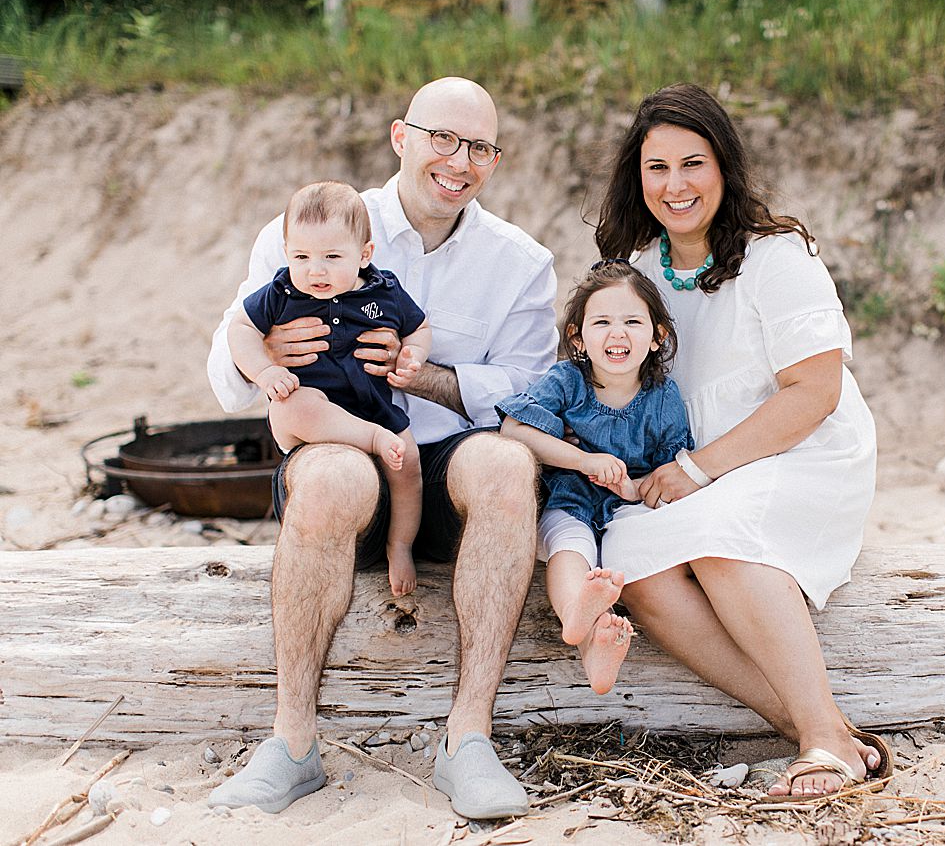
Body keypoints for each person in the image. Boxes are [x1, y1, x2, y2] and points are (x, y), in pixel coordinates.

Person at [206, 77, 557, 819]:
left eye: (481, 148)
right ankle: (293, 742)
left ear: (495, 160)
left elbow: (533, 391)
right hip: (341, 458)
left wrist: (425, 376)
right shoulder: (311, 223)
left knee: (508, 459)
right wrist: (265, 348)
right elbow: (224, 379)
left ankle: (468, 739)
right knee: (332, 474)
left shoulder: (520, 261)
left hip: (444, 470)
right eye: (443, 139)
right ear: (402, 137)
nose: (459, 161)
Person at [594, 83, 894, 798]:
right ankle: (822, 727)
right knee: (632, 559)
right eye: (657, 167)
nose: (675, 184)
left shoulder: (776, 255)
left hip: (805, 451)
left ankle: (823, 739)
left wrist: (697, 470)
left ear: (724, 167)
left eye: (692, 163)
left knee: (722, 540)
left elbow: (814, 395)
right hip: (710, 468)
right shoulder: (641, 272)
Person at [496, 260, 693, 695]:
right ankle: (576, 616)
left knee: (624, 561)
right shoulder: (568, 380)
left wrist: (631, 488)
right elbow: (514, 429)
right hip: (569, 499)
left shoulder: (664, 399)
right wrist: (584, 461)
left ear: (657, 334)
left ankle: (595, 652)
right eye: (601, 322)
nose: (617, 333)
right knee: (572, 546)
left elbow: (669, 476)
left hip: (629, 510)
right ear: (578, 337)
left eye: (632, 321)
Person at [229, 180, 431, 598]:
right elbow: (241, 329)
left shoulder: (384, 292)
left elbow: (419, 327)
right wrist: (265, 372)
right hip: (310, 415)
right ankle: (371, 441)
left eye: (331, 257)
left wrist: (412, 355)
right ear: (287, 254)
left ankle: (399, 544)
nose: (314, 270)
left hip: (373, 406)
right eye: (301, 256)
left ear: (364, 256)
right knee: (293, 406)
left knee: (408, 464)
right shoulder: (283, 291)